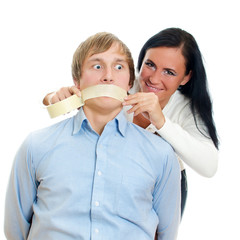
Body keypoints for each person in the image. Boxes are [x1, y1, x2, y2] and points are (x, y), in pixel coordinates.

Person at [5, 32, 181, 240]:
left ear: (129, 83)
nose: (108, 76)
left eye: (118, 67)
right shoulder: (36, 146)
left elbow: (166, 234)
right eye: (97, 66)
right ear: (77, 81)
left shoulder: (161, 155)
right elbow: (15, 230)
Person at [43, 28, 219, 216]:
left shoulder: (186, 108)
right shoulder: (125, 84)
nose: (154, 78)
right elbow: (73, 94)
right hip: (116, 177)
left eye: (169, 72)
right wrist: (55, 97)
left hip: (163, 186)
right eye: (150, 64)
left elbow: (209, 167)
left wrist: (160, 121)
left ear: (186, 77)